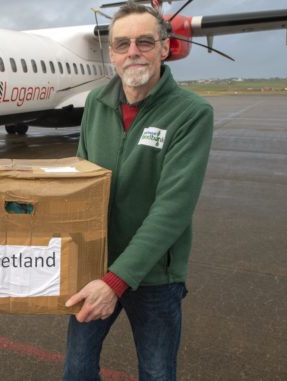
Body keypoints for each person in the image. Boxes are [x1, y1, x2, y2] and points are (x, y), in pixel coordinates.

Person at [63, 3, 213, 380]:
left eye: (145, 42)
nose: (133, 52)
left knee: (157, 372)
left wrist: (117, 280)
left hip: (154, 276)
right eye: (122, 43)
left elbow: (172, 209)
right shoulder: (97, 103)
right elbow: (81, 180)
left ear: (165, 48)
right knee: (77, 370)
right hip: (95, 268)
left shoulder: (191, 112)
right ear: (111, 52)